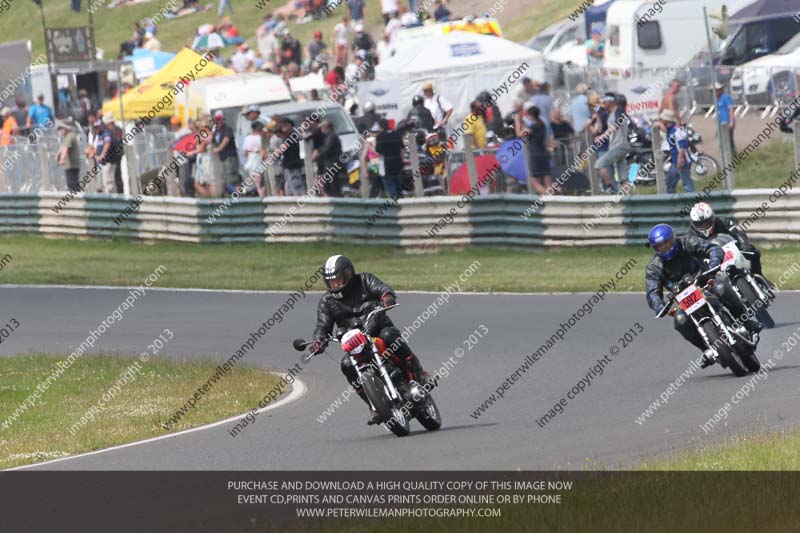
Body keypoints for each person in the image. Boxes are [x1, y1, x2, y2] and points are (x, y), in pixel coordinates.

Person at [311, 255, 431, 424]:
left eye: (338, 280)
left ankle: (419, 372)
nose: (335, 285)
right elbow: (322, 325)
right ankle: (373, 405)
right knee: (346, 365)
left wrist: (387, 297)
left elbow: (382, 289)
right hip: (355, 342)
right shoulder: (327, 301)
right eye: (331, 282)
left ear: (348, 275)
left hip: (378, 328)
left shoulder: (364, 280)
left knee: (390, 336)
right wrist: (318, 340)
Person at [645, 223, 762, 367]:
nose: (664, 248)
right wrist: (659, 305)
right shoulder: (654, 267)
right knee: (680, 320)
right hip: (683, 298)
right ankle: (707, 348)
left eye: (666, 243)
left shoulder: (687, 242)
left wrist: (713, 265)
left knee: (721, 288)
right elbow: (652, 292)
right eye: (659, 246)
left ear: (673, 239)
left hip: (704, 282)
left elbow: (713, 249)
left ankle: (745, 321)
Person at [687, 202, 767, 279]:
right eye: (699, 223)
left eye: (706, 222)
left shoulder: (723, 221)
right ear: (693, 223)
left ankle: (759, 276)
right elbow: (694, 256)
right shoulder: (691, 235)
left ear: (712, 217)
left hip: (731, 250)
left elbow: (738, 233)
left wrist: (744, 245)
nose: (704, 225)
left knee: (753, 252)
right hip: (712, 260)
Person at [594, 93, 631, 193]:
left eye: (604, 102)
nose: (603, 105)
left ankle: (610, 188)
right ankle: (628, 198)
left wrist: (602, 136)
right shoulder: (610, 113)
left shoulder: (618, 110)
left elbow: (616, 125)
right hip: (617, 146)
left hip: (619, 146)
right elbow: (601, 127)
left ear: (610, 102)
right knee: (623, 177)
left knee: (599, 164)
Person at [659, 108, 693, 194]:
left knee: (686, 183)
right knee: (669, 181)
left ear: (667, 120)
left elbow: (682, 146)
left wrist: (679, 159)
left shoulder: (676, 130)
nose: (661, 120)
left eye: (662, 119)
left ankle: (693, 201)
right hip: (675, 161)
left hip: (682, 160)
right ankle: (671, 201)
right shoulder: (669, 129)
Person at [211, 110, 241, 196]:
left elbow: (226, 140)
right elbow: (211, 141)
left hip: (230, 157)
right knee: (224, 180)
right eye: (216, 120)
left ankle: (239, 197)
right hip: (222, 158)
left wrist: (218, 149)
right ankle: (226, 197)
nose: (218, 122)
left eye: (219, 119)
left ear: (223, 119)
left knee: (232, 179)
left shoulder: (228, 129)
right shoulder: (216, 131)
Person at [524, 106, 552, 195]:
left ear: (531, 116)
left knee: (535, 183)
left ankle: (547, 198)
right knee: (548, 183)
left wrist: (517, 122)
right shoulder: (542, 124)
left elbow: (520, 134)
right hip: (544, 154)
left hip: (536, 156)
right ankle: (553, 199)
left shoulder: (534, 126)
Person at [374, 118, 404, 196]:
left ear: (380, 126)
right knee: (397, 180)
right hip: (398, 161)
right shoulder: (397, 134)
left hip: (386, 163)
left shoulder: (380, 136)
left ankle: (394, 200)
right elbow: (402, 148)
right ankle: (402, 198)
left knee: (388, 182)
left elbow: (378, 151)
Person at [278, 118, 306, 195]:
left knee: (296, 186)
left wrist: (275, 153)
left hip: (293, 166)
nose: (283, 126)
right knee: (289, 187)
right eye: (282, 124)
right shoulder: (285, 136)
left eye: (285, 124)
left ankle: (302, 203)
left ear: (291, 125)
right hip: (288, 166)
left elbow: (282, 149)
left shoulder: (292, 135)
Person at [56, 118, 81, 192]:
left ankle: (75, 200)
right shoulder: (67, 137)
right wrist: (58, 156)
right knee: (71, 184)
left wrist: (62, 159)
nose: (60, 131)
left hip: (72, 165)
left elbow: (66, 148)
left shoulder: (70, 135)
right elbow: (62, 147)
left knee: (72, 185)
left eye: (61, 129)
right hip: (69, 165)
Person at [243, 121, 266, 197]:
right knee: (261, 184)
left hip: (250, 163)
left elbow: (245, 153)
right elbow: (263, 150)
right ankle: (262, 199)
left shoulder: (247, 138)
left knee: (253, 184)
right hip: (259, 162)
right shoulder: (261, 138)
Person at [94, 118, 117, 193]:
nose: (96, 129)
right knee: (102, 183)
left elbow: (107, 143)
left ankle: (111, 199)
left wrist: (102, 155)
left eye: (97, 127)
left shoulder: (106, 132)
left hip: (107, 161)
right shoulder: (99, 135)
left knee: (108, 181)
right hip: (101, 162)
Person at [715, 82, 735, 155]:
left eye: (716, 90)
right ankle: (726, 153)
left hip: (727, 122)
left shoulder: (726, 97)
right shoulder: (717, 99)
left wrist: (731, 121)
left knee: (728, 139)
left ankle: (732, 154)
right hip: (722, 123)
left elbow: (731, 109)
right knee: (719, 137)